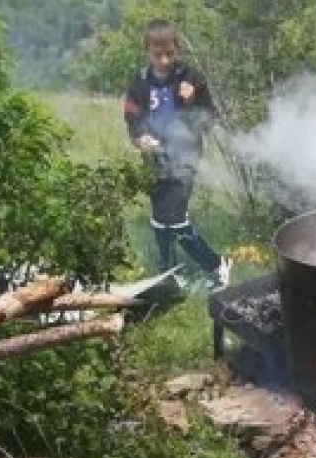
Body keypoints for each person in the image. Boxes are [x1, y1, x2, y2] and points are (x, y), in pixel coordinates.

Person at [123, 18, 227, 291]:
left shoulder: (190, 78)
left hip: (185, 159)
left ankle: (217, 266)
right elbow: (132, 119)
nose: (165, 60)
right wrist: (139, 139)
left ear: (177, 49)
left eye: (170, 53)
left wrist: (193, 101)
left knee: (177, 219)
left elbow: (210, 118)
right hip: (154, 160)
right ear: (147, 51)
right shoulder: (139, 83)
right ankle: (168, 273)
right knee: (159, 219)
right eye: (158, 55)